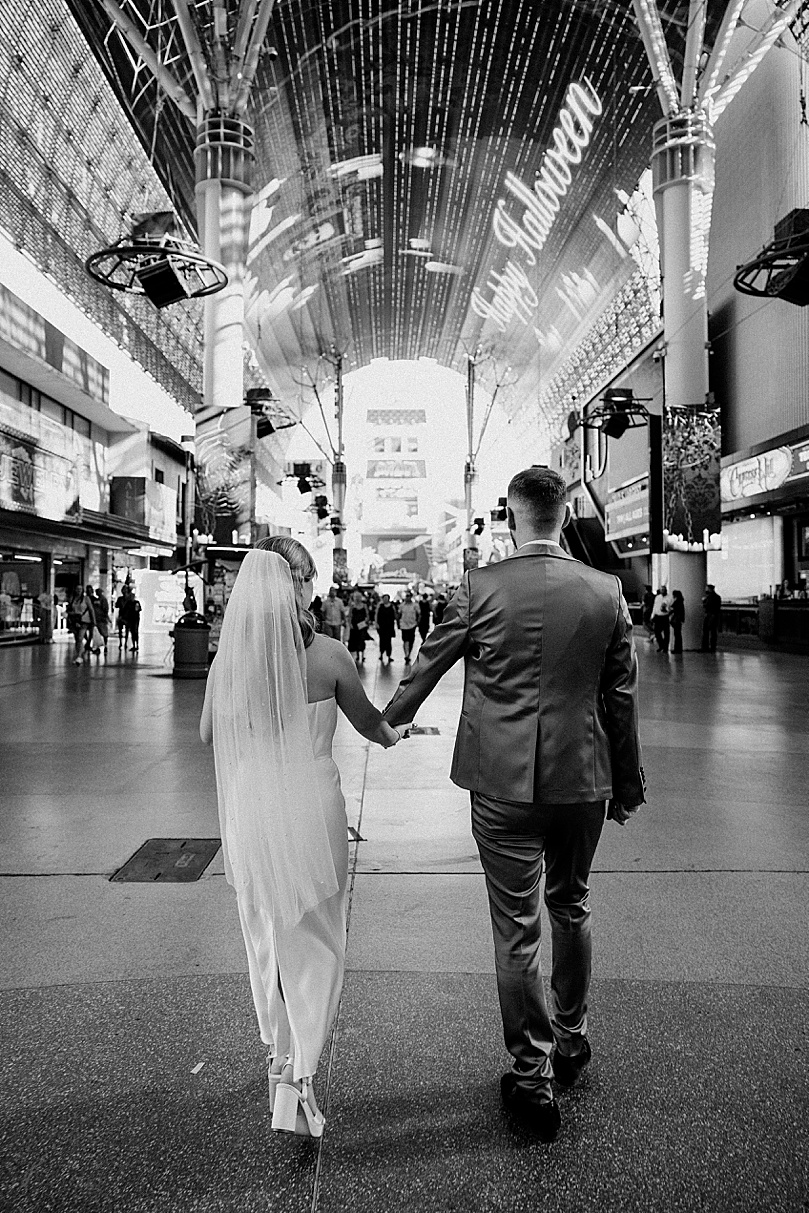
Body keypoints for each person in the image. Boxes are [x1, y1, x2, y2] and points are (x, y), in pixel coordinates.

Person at [382, 466, 645, 1143]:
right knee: (571, 903)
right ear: (562, 515)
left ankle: (531, 1079)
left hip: (500, 783)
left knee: (516, 928)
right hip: (582, 780)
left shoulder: (481, 587)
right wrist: (628, 782)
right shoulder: (604, 591)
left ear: (510, 516)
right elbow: (619, 696)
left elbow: (428, 661)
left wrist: (390, 718)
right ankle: (573, 1037)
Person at [199, 538, 401, 1138]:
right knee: (318, 933)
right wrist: (399, 735)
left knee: (264, 931)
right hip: (313, 807)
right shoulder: (330, 655)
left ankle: (276, 1054)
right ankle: (305, 1069)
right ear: (302, 586)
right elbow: (372, 725)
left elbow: (208, 733)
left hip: (253, 811)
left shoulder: (230, 662)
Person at [69, 585, 96, 664]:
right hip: (74, 620)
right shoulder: (72, 599)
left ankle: (79, 656)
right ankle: (79, 653)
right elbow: (70, 609)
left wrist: (93, 621)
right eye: (77, 589)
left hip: (84, 620)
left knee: (80, 637)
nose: (78, 591)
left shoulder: (86, 599)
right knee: (77, 638)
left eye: (80, 589)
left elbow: (91, 609)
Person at [347, 590, 369, 664]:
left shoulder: (364, 605)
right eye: (356, 597)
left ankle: (362, 655)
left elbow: (367, 615)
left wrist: (366, 621)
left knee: (362, 640)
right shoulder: (352, 606)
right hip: (354, 625)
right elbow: (350, 616)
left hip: (362, 625)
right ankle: (357, 655)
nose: (358, 599)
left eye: (359, 597)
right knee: (355, 640)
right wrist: (350, 624)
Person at [375, 593, 397, 664]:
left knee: (388, 641)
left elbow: (395, 615)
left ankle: (389, 655)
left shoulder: (392, 607)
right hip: (382, 626)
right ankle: (381, 653)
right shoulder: (380, 606)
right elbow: (376, 614)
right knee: (382, 640)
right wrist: (376, 623)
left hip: (389, 627)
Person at [701, 583, 722, 652]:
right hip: (715, 616)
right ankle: (712, 647)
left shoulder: (709, 597)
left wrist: (704, 602)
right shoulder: (717, 597)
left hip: (709, 615)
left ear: (709, 589)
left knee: (706, 631)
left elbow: (707, 606)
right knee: (713, 632)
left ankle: (705, 647)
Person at [398, 591, 418, 664]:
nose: (408, 598)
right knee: (405, 640)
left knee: (411, 641)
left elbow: (418, 614)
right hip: (404, 625)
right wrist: (398, 623)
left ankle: (409, 653)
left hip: (412, 625)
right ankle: (406, 655)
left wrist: (417, 622)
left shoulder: (415, 605)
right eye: (407, 596)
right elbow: (399, 614)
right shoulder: (402, 605)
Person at [651, 585, 671, 653]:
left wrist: (666, 609)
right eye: (661, 589)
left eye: (664, 589)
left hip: (665, 616)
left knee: (666, 633)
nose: (662, 591)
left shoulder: (669, 598)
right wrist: (652, 615)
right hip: (658, 616)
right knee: (657, 632)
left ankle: (665, 648)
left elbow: (670, 607)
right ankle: (661, 645)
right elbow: (655, 607)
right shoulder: (657, 597)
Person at [121, 587, 142, 652]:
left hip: (135, 619)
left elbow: (138, 609)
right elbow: (125, 610)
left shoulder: (136, 602)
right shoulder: (128, 603)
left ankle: (137, 645)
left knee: (135, 632)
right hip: (130, 619)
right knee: (132, 632)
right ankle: (134, 645)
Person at [94, 586, 110, 653]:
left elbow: (105, 609)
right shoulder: (96, 600)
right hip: (97, 618)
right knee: (98, 633)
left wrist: (105, 616)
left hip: (102, 619)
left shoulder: (103, 600)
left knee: (104, 633)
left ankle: (105, 645)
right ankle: (98, 646)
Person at [670, 590, 685, 654]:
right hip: (679, 620)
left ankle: (677, 649)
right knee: (678, 634)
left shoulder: (677, 602)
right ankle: (678, 649)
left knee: (677, 635)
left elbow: (673, 609)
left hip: (677, 620)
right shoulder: (680, 601)